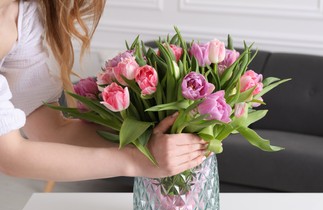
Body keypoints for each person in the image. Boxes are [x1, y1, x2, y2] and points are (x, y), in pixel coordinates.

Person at [0, 0, 207, 182]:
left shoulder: (19, 13)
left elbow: (52, 130)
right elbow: (9, 156)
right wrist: (136, 160)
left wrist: (150, 136)